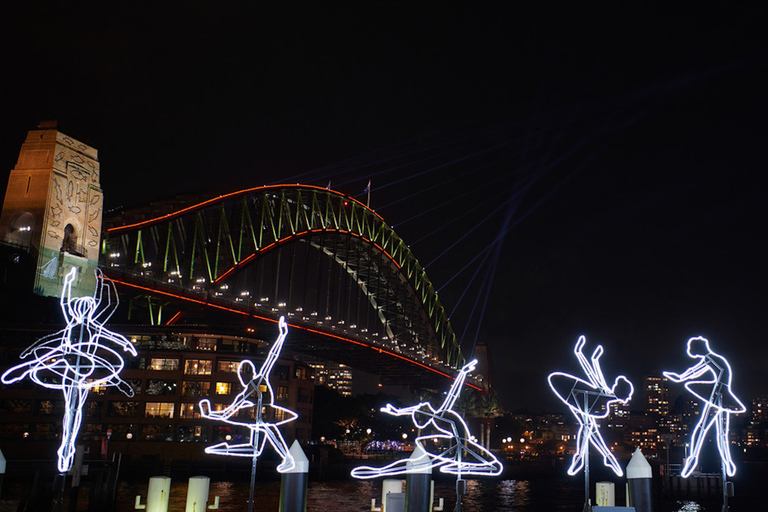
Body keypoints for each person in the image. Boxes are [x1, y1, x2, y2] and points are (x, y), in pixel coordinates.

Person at [2, 267, 136, 473]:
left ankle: (67, 447)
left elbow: (109, 309)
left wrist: (96, 279)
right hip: (75, 369)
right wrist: (86, 278)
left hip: (79, 370)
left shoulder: (93, 327)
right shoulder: (79, 326)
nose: (84, 310)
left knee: (74, 407)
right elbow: (52, 338)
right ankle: (66, 448)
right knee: (72, 408)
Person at [351, 359, 502, 479]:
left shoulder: (441, 413)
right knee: (412, 463)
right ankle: (378, 472)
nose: (424, 408)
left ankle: (379, 472)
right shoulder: (439, 415)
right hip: (457, 443)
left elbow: (454, 392)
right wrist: (397, 412)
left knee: (414, 463)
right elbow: (448, 395)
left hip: (460, 442)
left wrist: (463, 372)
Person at [199, 317, 297, 472]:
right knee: (255, 450)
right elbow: (226, 413)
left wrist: (282, 335)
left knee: (268, 428)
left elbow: (272, 356)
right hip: (257, 419)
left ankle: (287, 458)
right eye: (241, 374)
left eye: (245, 373)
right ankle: (224, 450)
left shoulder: (260, 379)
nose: (243, 377)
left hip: (267, 415)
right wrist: (209, 414)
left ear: (251, 373)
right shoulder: (242, 395)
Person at [548, 336, 634, 477]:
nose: (628, 399)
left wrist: (589, 355)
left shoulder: (604, 394)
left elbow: (593, 370)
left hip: (577, 400)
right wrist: (582, 353)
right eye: (627, 396)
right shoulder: (603, 393)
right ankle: (590, 458)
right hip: (575, 396)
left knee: (588, 426)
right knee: (588, 426)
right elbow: (592, 371)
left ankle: (590, 458)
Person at [663, 336, 745, 477]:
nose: (691, 351)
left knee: (708, 429)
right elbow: (694, 371)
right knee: (716, 431)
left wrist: (715, 390)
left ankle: (702, 460)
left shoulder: (713, 358)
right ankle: (722, 462)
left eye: (692, 349)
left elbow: (722, 372)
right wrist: (679, 378)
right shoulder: (709, 359)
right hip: (719, 393)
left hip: (720, 392)